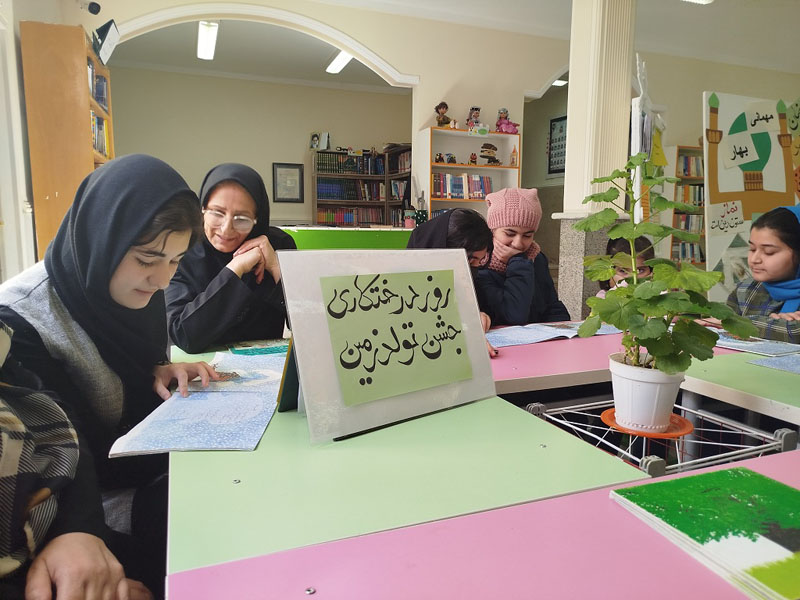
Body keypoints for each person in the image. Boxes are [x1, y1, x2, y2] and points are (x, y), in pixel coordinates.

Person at [0, 154, 218, 600]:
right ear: (102, 239)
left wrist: (156, 371)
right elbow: (69, 447)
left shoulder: (132, 285)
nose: (162, 280)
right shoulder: (22, 320)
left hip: (138, 469)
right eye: (147, 259)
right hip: (80, 506)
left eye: (176, 261)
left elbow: (121, 368)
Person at [166, 163, 297, 353]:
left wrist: (277, 268)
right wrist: (235, 269)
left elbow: (310, 324)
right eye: (217, 213)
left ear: (257, 219)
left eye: (242, 218)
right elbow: (183, 336)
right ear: (202, 210)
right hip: (204, 367)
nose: (226, 229)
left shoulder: (278, 245)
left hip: (270, 366)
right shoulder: (183, 248)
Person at [407, 208, 497, 356]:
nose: (474, 269)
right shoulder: (398, 289)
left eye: (480, 261)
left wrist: (477, 316)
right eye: (470, 260)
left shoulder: (471, 275)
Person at [476, 187, 570, 325]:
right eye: (510, 234)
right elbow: (514, 315)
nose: (518, 243)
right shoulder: (480, 263)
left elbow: (552, 305)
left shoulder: (537, 258)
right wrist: (518, 262)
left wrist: (563, 330)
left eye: (527, 235)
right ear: (493, 230)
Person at [721, 205, 800, 343]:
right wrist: (775, 325)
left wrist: (736, 323)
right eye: (752, 249)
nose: (754, 259)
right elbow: (723, 334)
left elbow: (795, 332)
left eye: (769, 252)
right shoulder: (746, 290)